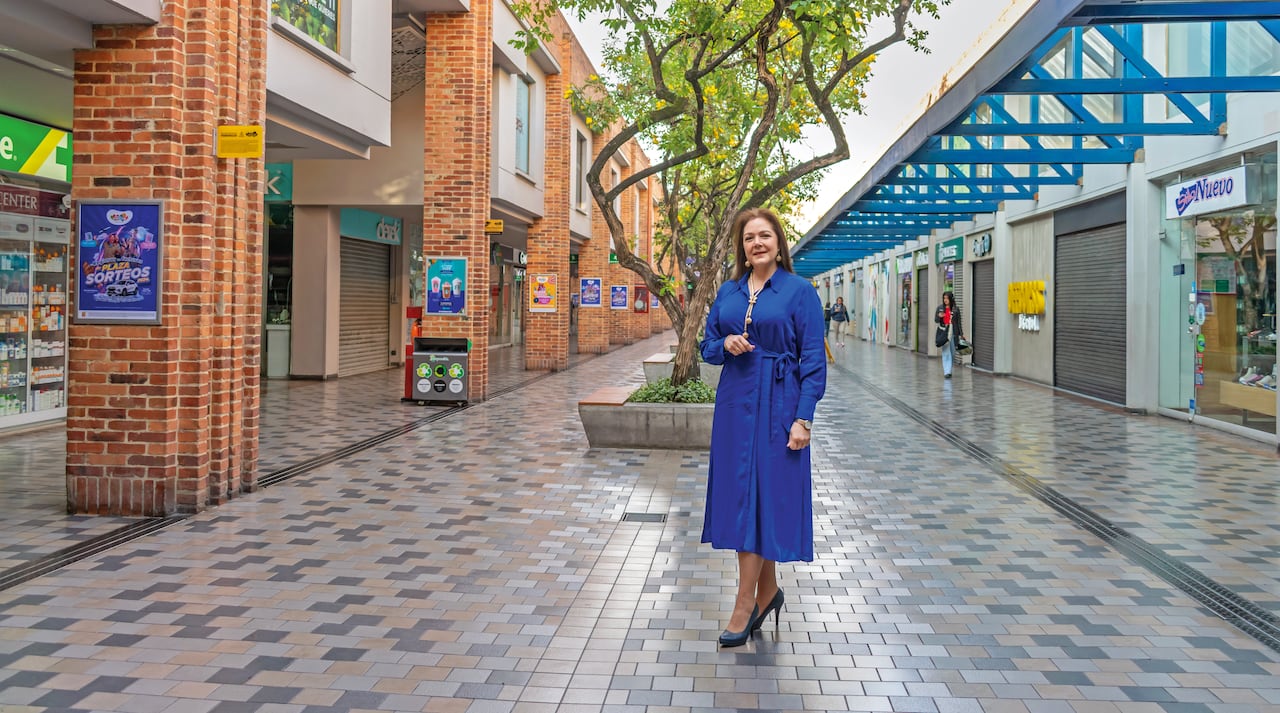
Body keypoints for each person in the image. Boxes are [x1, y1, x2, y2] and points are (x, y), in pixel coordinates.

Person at [699, 208, 827, 647]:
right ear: (742, 246)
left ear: (778, 242)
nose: (757, 243)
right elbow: (707, 347)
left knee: (766, 500)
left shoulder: (799, 291)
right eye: (749, 237)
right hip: (735, 406)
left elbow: (813, 361)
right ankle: (767, 593)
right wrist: (725, 343)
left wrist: (803, 418)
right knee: (742, 500)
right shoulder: (729, 291)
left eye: (765, 236)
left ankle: (744, 604)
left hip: (779, 407)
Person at [934, 290, 965, 378]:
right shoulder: (940, 308)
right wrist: (939, 317)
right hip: (944, 331)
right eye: (944, 298)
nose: (945, 300)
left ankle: (949, 369)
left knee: (952, 352)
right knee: (946, 352)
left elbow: (958, 322)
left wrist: (961, 334)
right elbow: (936, 320)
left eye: (947, 298)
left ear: (951, 299)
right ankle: (947, 372)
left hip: (954, 332)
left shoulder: (956, 309)